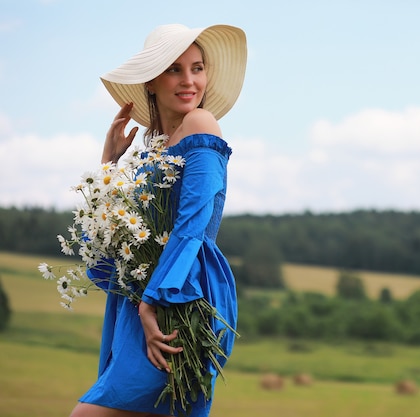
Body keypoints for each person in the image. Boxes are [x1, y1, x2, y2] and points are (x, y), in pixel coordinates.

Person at [69, 23, 247, 417]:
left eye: (197, 68)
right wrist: (109, 165)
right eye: (174, 69)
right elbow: (109, 237)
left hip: (179, 296)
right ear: (150, 81)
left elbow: (193, 224)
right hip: (141, 303)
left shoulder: (201, 125)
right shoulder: (150, 148)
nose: (189, 81)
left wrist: (152, 301)